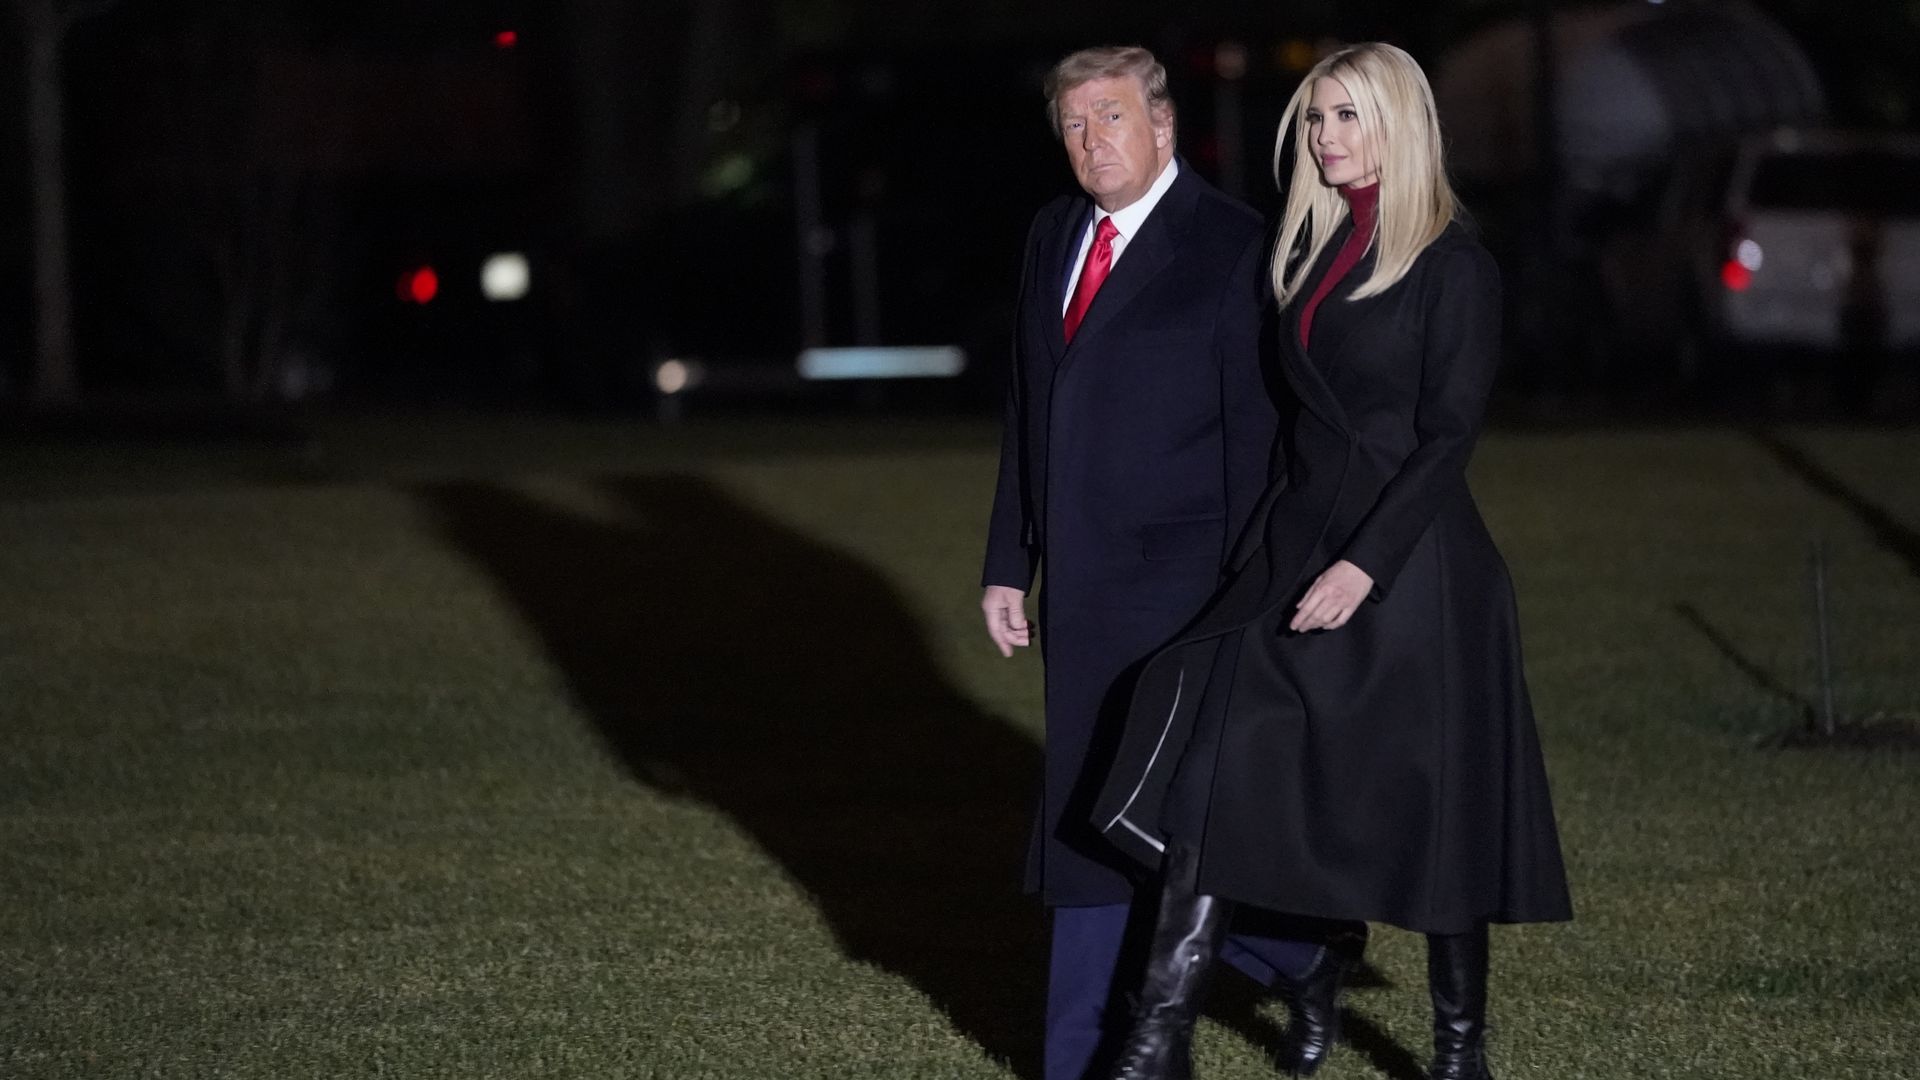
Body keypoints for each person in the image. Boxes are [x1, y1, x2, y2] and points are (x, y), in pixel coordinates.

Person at [1087, 42, 1574, 1080]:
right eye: (1315, 119)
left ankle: (1458, 1054)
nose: (1326, 137)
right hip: (1293, 550)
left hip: (1416, 572)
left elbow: (1448, 439)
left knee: (1433, 812)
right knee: (1211, 773)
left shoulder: (1454, 265)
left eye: (1348, 116)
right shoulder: (1308, 251)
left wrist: (1366, 566)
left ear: (1401, 123)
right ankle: (1158, 1040)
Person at [982, 45, 1365, 1080]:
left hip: (1188, 588)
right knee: (1090, 810)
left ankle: (1145, 1027)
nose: (1091, 141)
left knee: (1153, 817)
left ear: (1161, 127)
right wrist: (1007, 558)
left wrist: (1254, 595)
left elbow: (1262, 438)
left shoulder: (1236, 246)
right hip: (1080, 590)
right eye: (1072, 124)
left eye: (1110, 118)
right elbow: (1031, 407)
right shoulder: (1052, 235)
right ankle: (1285, 957)